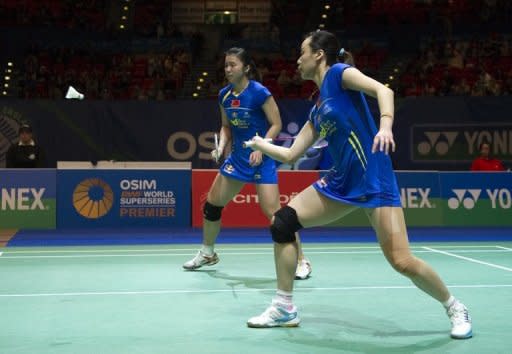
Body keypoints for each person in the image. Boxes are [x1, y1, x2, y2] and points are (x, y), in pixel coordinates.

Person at [244, 31, 472, 339]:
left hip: (374, 180)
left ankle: (454, 306)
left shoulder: (339, 75)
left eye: (302, 53)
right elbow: (291, 153)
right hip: (340, 182)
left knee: (402, 262)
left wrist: (386, 125)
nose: (297, 60)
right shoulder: (318, 107)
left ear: (319, 55)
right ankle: (284, 307)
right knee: (283, 224)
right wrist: (262, 143)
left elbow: (384, 90)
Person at [183, 47, 312, 280]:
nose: (228, 69)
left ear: (246, 68)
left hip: (261, 159)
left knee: (276, 216)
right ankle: (207, 253)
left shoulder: (259, 92)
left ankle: (302, 261)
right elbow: (226, 126)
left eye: (233, 65)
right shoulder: (224, 95)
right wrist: (221, 147)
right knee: (212, 206)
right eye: (225, 65)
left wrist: (262, 147)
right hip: (238, 160)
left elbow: (276, 123)